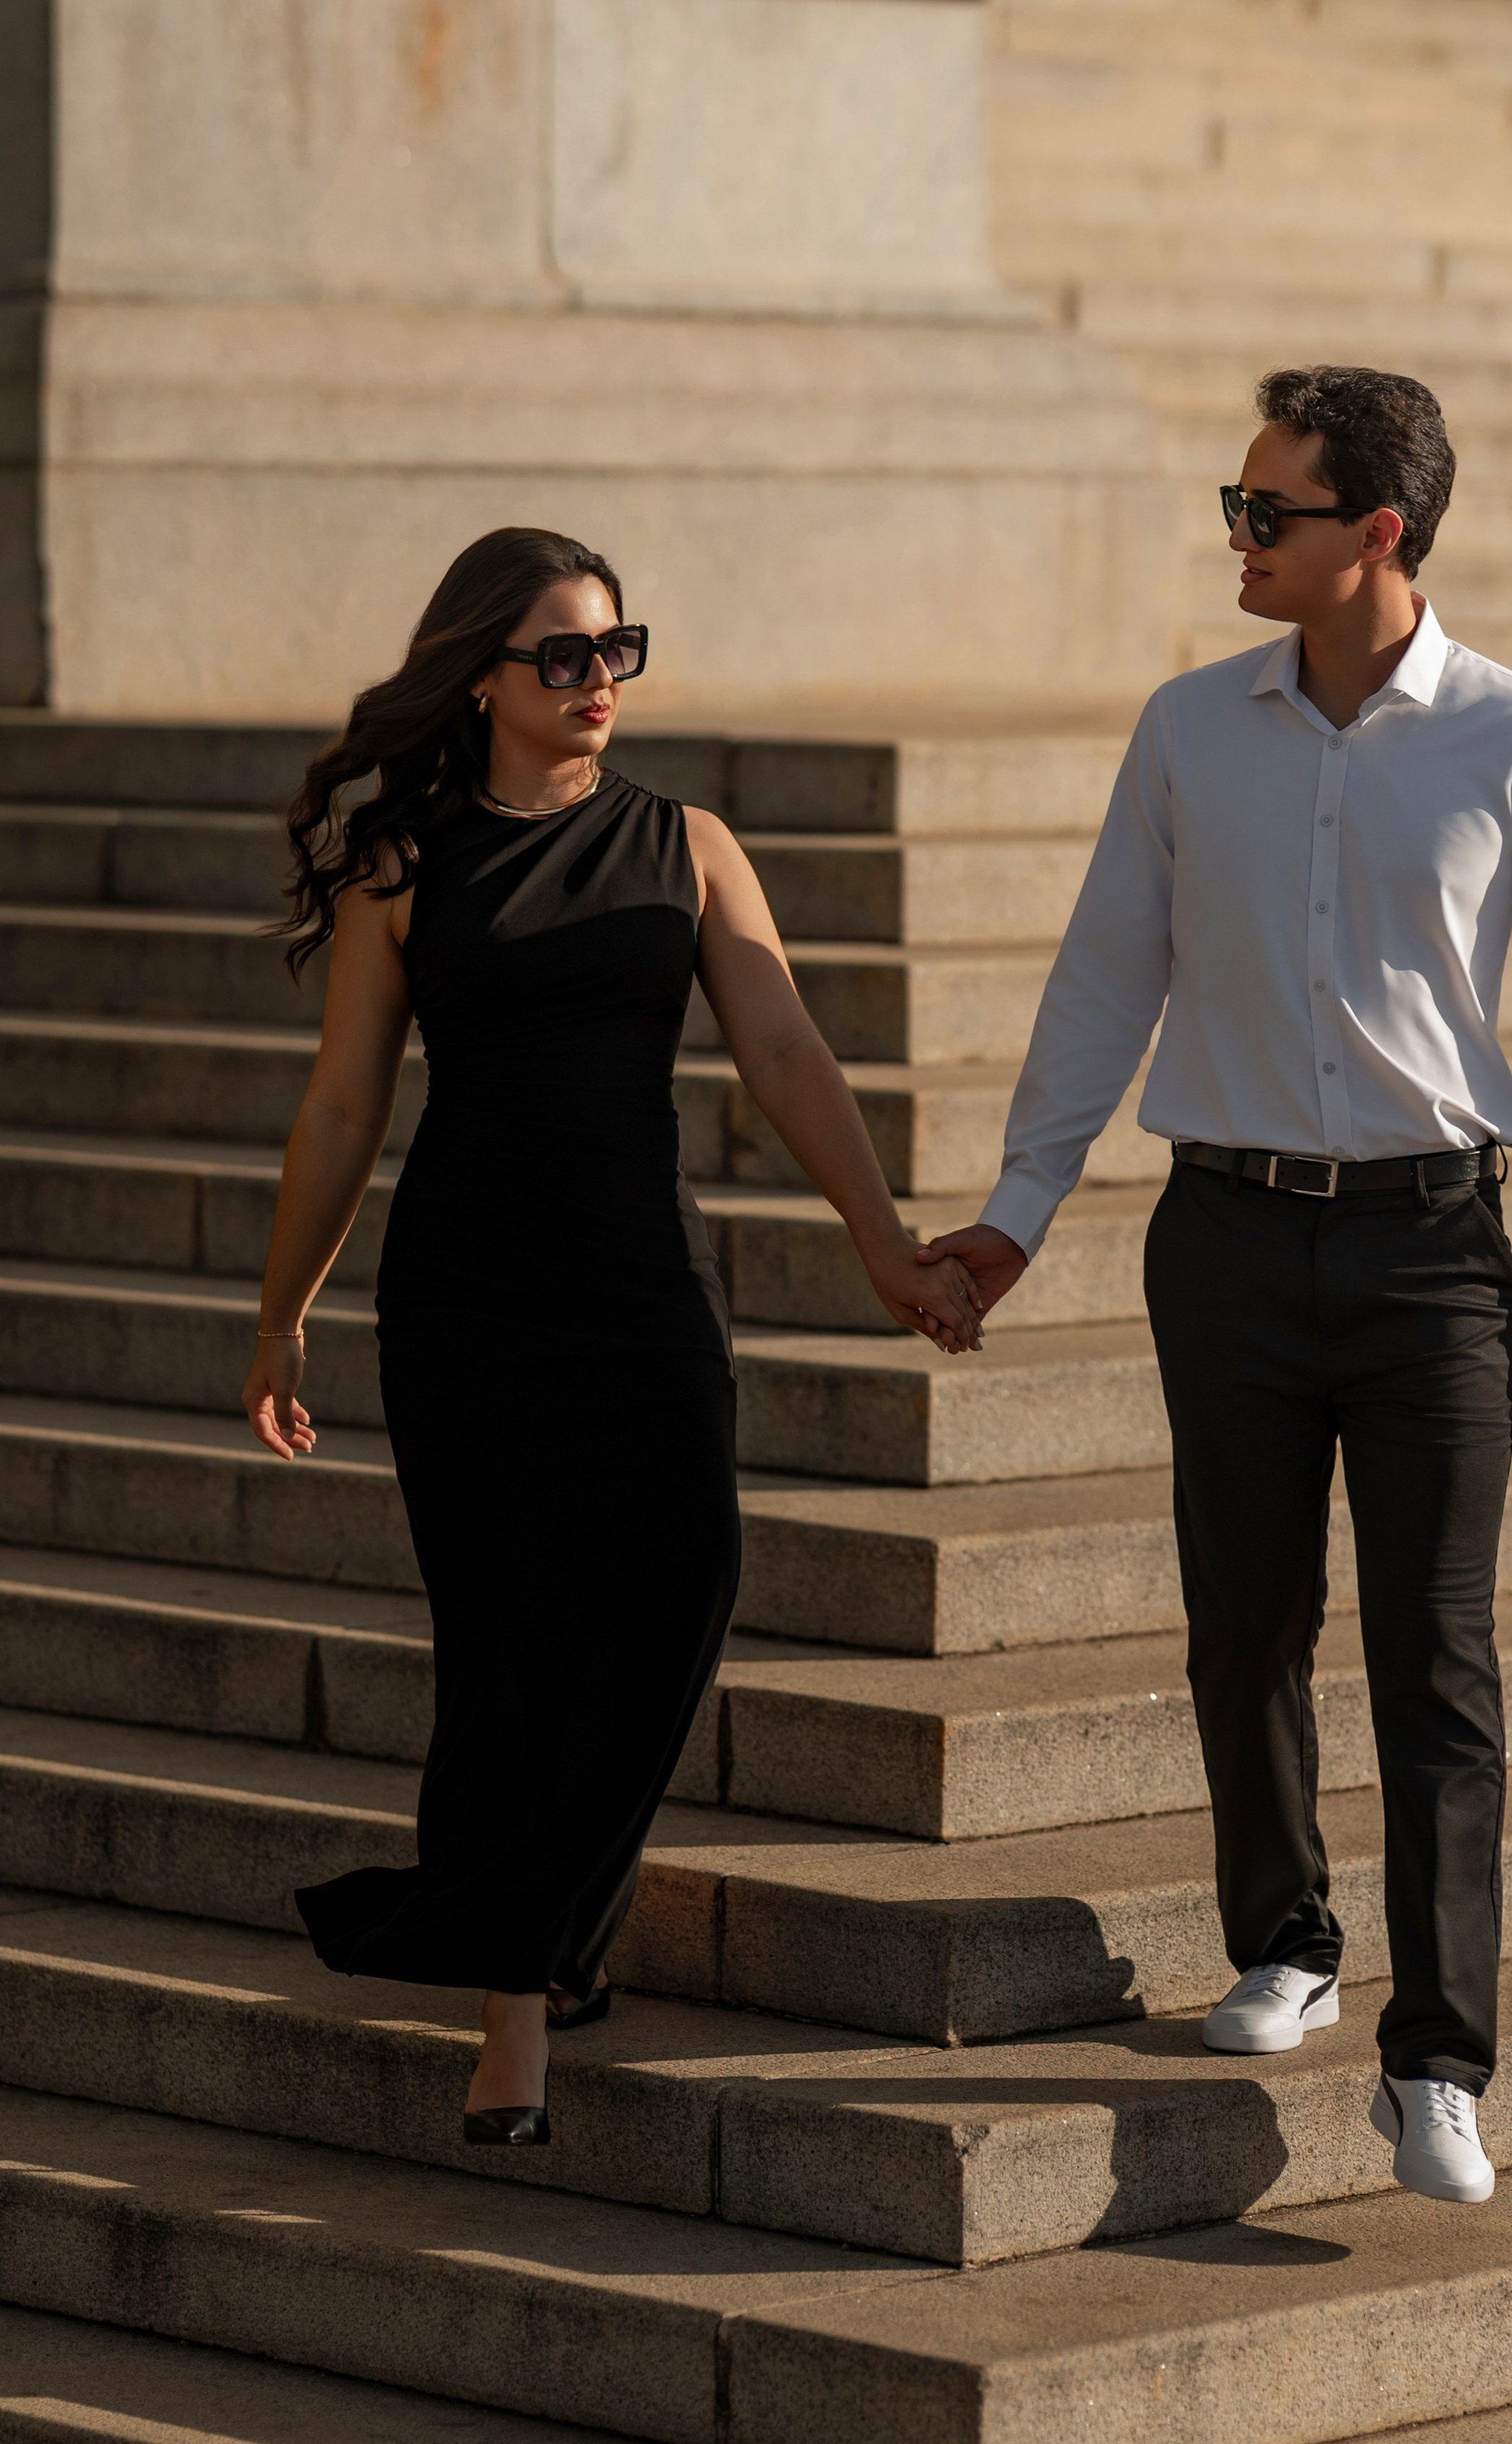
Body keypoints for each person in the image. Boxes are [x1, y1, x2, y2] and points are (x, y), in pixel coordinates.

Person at [918, 368, 1512, 2207]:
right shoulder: (1190, 730)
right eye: (1234, 507)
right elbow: (1105, 975)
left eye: (1268, 514)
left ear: (1379, 536)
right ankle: (1285, 1942)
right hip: (1229, 1238)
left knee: (1436, 1656)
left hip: (1432, 1250)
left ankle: (1438, 2061)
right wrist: (1018, 1210)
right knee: (1239, 1616)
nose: (1238, 541)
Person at [243, 526, 982, 2147]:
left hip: (642, 1282)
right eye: (564, 657)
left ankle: (534, 1921)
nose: (598, 683)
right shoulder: (405, 870)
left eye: (616, 649)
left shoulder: (688, 843)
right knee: (504, 1638)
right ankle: (520, 2006)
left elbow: (784, 1050)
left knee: (678, 1586)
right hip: (463, 1296)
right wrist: (284, 1311)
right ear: (484, 679)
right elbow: (346, 1101)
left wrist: (882, 1249)